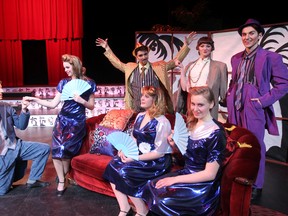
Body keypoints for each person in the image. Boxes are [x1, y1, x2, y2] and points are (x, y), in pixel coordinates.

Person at [226, 18, 288, 200]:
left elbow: (283, 84)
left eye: (251, 33)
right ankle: (237, 177)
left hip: (254, 108)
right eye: (244, 34)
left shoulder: (271, 57)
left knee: (255, 145)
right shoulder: (235, 58)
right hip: (235, 107)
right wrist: (229, 96)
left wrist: (262, 102)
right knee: (235, 143)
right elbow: (235, 80)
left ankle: (256, 184)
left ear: (260, 35)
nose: (247, 37)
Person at [141, 86, 227, 215]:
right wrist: (174, 145)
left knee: (162, 199)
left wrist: (174, 180)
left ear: (211, 104)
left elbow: (210, 174)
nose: (195, 109)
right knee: (151, 186)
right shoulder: (192, 123)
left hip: (202, 185)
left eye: (200, 105)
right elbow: (190, 156)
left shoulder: (216, 133)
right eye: (193, 104)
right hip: (186, 172)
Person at [24, 54, 97, 196]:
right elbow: (52, 104)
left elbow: (92, 106)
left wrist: (82, 101)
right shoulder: (63, 83)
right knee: (57, 150)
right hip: (62, 120)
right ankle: (62, 181)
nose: (66, 71)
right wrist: (34, 99)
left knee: (66, 151)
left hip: (77, 122)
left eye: (68, 67)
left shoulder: (89, 83)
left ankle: (63, 176)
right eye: (64, 68)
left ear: (75, 66)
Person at [103, 86, 173, 216]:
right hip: (139, 153)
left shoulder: (162, 122)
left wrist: (134, 158)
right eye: (142, 95)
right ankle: (124, 207)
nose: (142, 98)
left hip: (156, 161)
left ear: (155, 100)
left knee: (125, 172)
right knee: (112, 165)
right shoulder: (140, 116)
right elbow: (135, 138)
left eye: (146, 96)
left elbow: (160, 152)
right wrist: (125, 149)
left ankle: (142, 210)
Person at [95, 32, 197, 114]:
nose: (144, 57)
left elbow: (175, 60)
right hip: (136, 109)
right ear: (137, 56)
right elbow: (117, 63)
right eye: (141, 55)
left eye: (145, 54)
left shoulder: (159, 66)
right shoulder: (130, 67)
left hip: (155, 109)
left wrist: (186, 45)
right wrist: (107, 48)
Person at [0, 80, 50, 196]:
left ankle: (32, 180)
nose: (1, 90)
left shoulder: (6, 107)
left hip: (15, 145)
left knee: (43, 149)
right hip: (3, 155)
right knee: (2, 191)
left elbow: (21, 126)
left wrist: (24, 110)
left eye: (1, 87)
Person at [178, 36, 228, 119]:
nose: (205, 48)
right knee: (192, 125)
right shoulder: (191, 65)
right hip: (192, 99)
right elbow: (184, 87)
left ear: (212, 48)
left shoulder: (220, 66)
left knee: (208, 126)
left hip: (207, 99)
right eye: (202, 46)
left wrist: (224, 101)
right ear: (198, 48)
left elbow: (223, 92)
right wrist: (182, 70)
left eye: (208, 46)